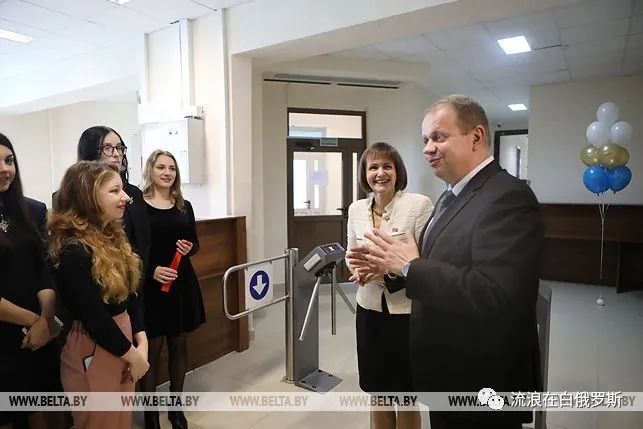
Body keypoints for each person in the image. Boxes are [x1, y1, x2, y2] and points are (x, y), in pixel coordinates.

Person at [347, 95, 544, 429]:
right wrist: (391, 267)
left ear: (477, 137)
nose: (427, 148)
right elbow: (428, 263)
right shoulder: (450, 197)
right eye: (425, 140)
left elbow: (497, 293)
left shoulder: (508, 197)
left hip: (480, 377)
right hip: (445, 367)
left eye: (438, 137)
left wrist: (408, 266)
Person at [49, 161, 150, 429]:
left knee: (120, 421)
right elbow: (95, 320)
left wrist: (142, 342)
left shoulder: (114, 237)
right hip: (96, 345)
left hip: (124, 340)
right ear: (88, 196)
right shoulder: (74, 252)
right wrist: (134, 355)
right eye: (115, 191)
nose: (126, 197)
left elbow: (132, 294)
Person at [346, 142, 432, 429]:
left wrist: (387, 271)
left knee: (405, 392)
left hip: (406, 313)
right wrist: (358, 271)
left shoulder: (418, 206)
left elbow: (425, 262)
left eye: (387, 166)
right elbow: (351, 253)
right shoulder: (356, 209)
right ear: (365, 174)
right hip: (369, 310)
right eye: (373, 167)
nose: (380, 173)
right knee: (377, 390)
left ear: (397, 172)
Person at [138, 150, 205, 429]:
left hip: (181, 285)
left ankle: (176, 410)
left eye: (172, 169)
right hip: (152, 288)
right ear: (150, 171)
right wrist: (151, 271)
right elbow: (131, 250)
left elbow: (195, 243)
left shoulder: (184, 205)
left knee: (179, 347)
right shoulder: (136, 206)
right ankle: (150, 415)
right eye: (161, 167)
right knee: (151, 352)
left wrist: (190, 248)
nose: (167, 173)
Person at [0, 133, 60, 429]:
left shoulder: (34, 210)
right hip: (6, 332)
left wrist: (45, 321)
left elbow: (44, 270)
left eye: (9, 160)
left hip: (39, 331)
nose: (4, 169)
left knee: (40, 409)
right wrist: (34, 321)